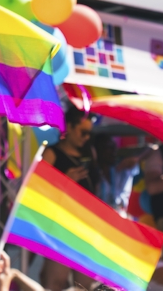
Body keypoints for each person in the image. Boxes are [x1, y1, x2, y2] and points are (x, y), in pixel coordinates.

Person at [41, 106, 99, 291]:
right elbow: (37, 190)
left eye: (89, 133)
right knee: (56, 283)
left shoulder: (90, 154)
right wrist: (65, 181)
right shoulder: (51, 154)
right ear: (70, 128)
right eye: (83, 132)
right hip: (61, 226)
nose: (86, 138)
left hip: (86, 225)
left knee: (86, 286)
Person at [93, 133, 140, 214]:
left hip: (120, 217)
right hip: (98, 217)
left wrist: (138, 158)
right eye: (109, 148)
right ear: (98, 151)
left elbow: (152, 149)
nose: (114, 151)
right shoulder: (92, 175)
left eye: (114, 147)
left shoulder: (122, 169)